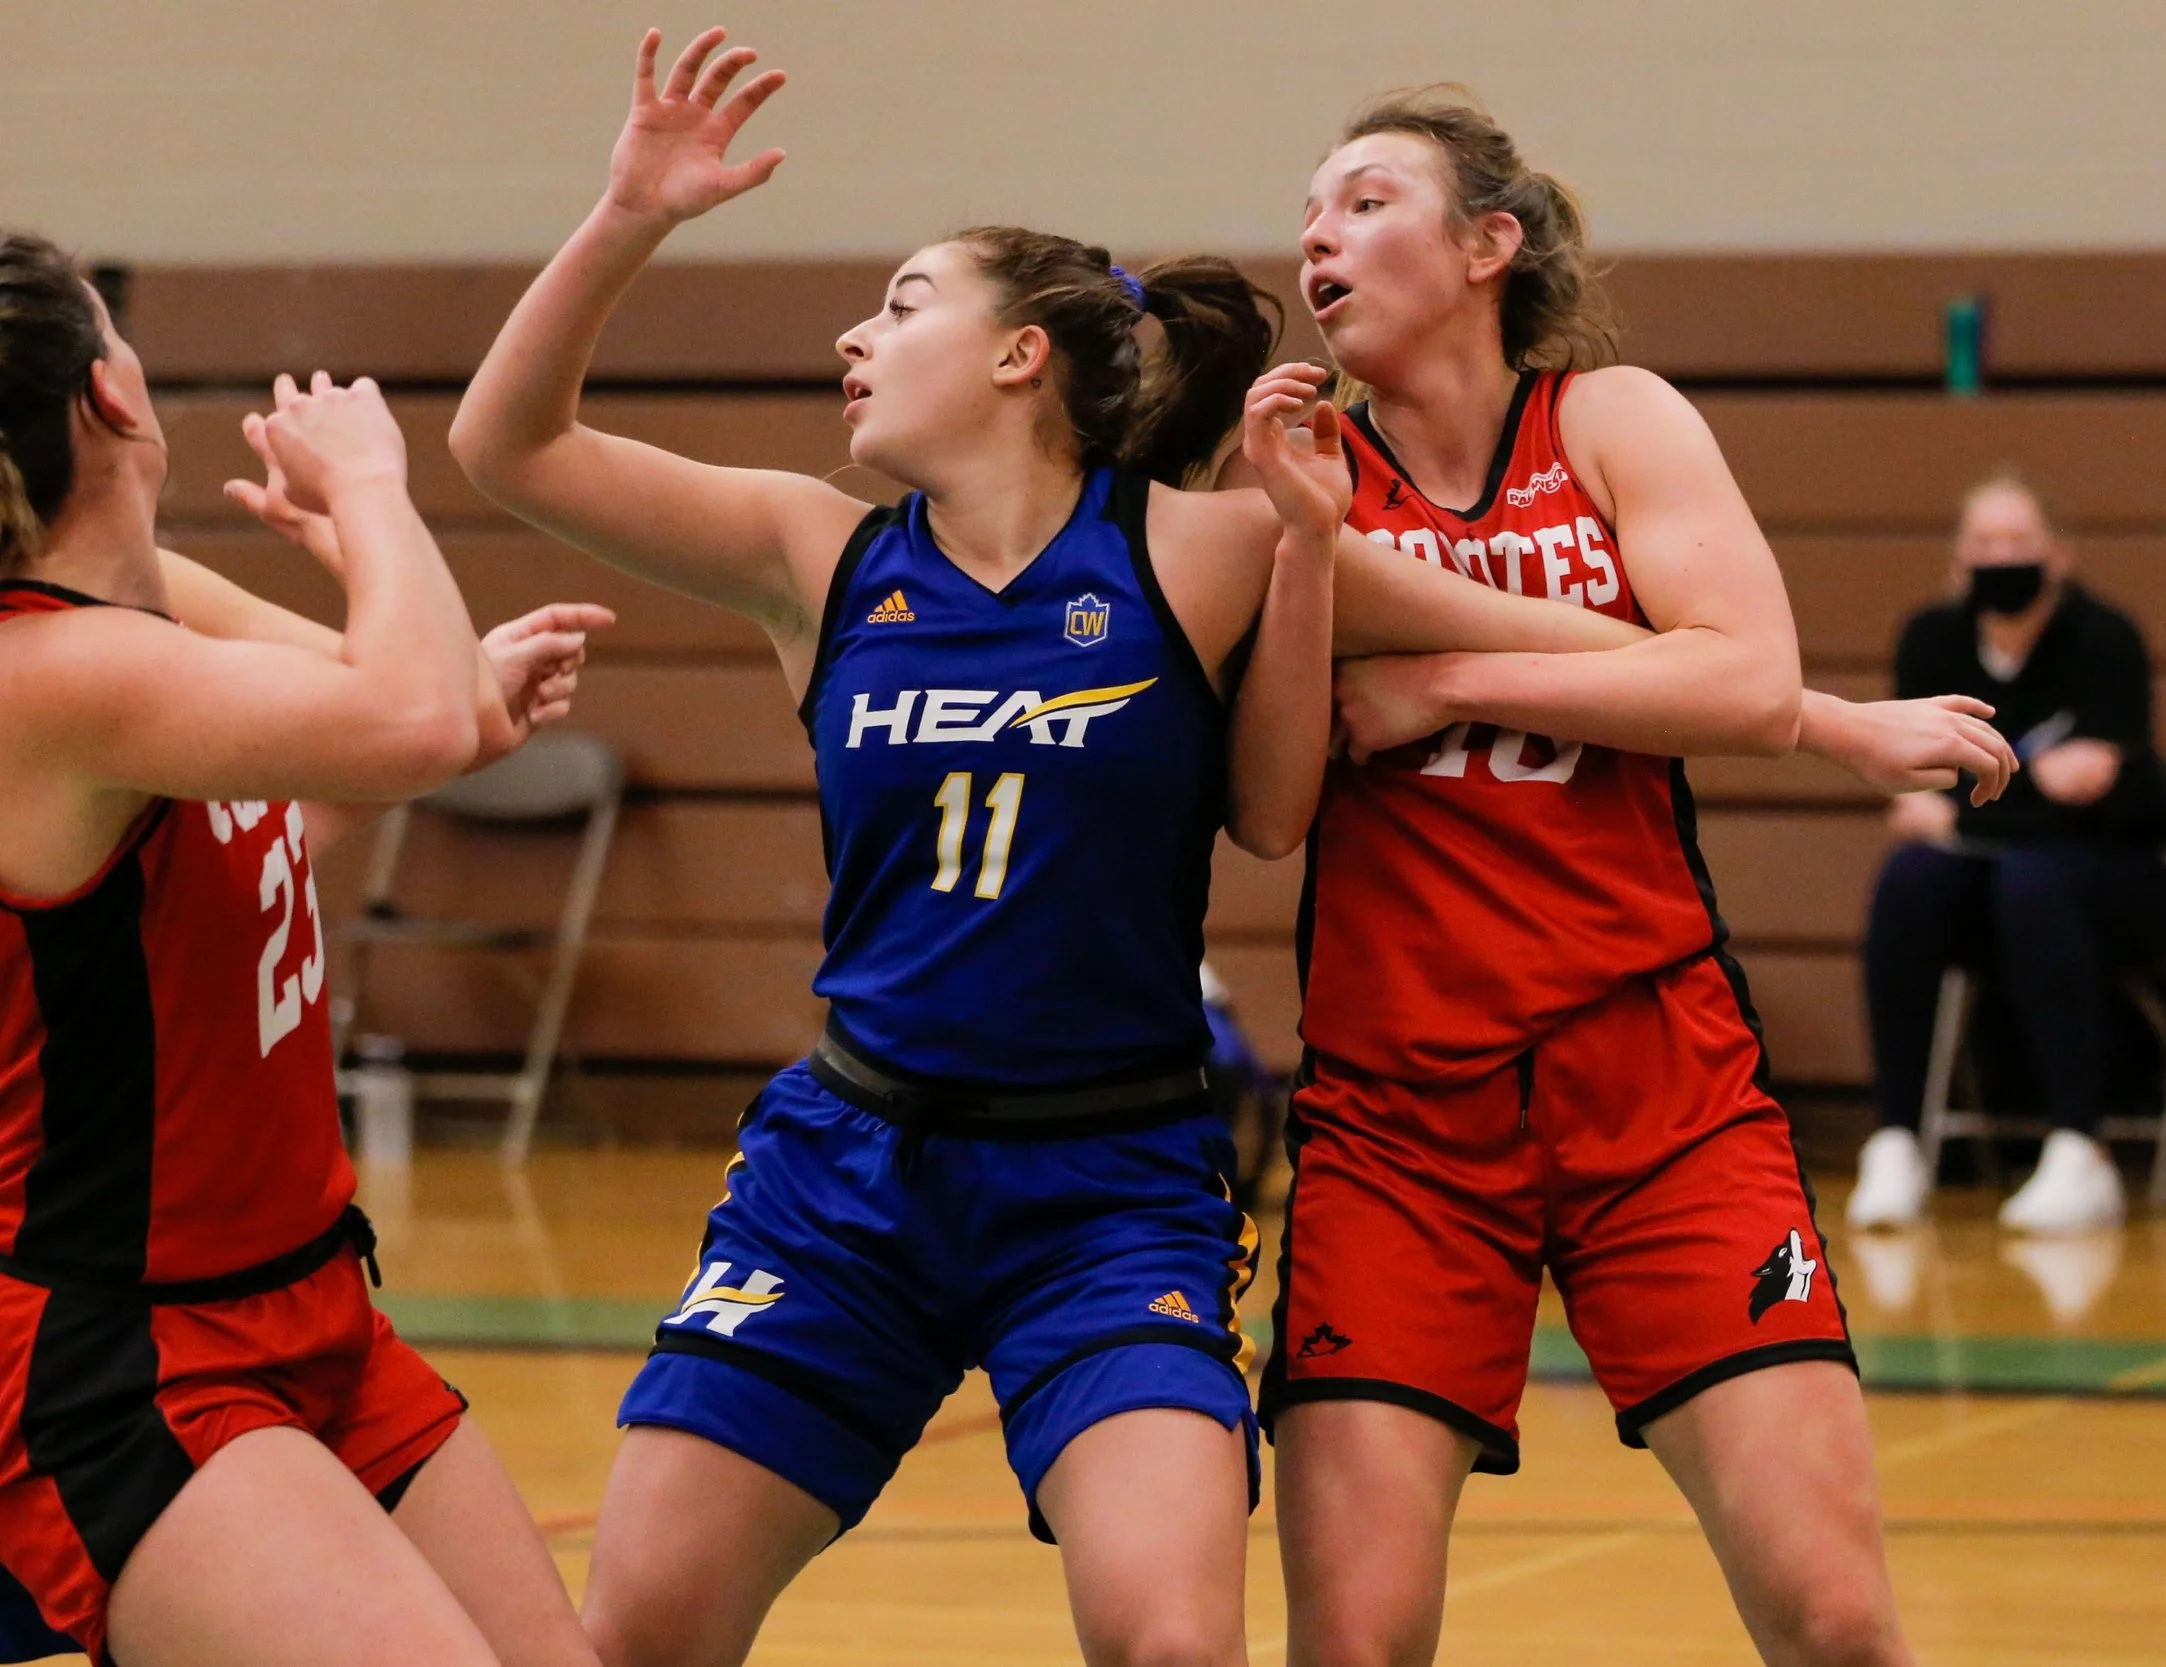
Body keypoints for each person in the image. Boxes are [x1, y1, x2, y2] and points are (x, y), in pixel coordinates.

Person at [447, 31, 1674, 1667]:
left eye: (899, 304)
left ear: (1022, 356)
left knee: (1173, 1647)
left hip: (1109, 1192)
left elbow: (1563, 641)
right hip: (847, 1178)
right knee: (638, 1640)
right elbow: (505, 448)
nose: (853, 336)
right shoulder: (819, 555)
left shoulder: (1211, 544)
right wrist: (626, 215)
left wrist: (1818, 712)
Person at [1239, 90, 2018, 1667]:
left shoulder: (1610, 418)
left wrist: (1453, 682)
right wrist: (1310, 553)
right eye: (1310, 211)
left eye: (1369, 200)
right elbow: (1273, 804)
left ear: (1487, 244)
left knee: (1837, 1618)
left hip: (1657, 1079)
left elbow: (1736, 685)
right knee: (1359, 1643)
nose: (1320, 233)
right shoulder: (1299, 483)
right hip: (1400, 1115)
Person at [0, 232, 612, 1667]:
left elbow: (427, 717)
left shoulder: (148, 612)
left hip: (311, 1299)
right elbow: (412, 719)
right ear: (113, 398)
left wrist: (374, 574)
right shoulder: (54, 669)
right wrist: (374, 488)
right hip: (126, 1344)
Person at [1846, 471, 2166, 1236]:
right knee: (1909, 878)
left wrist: (1972, 808)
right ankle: (1899, 1137)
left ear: (2060, 556)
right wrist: (2037, 786)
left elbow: (2095, 794)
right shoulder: (1930, 640)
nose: (2001, 557)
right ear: (1956, 562)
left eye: (2018, 542)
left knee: (2034, 881)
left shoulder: (2107, 639)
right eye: (1984, 543)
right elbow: (1916, 798)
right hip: (2002, 873)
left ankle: (2080, 1148)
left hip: (2124, 869)